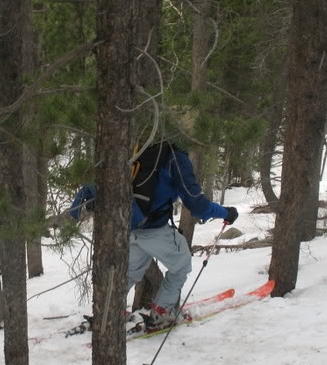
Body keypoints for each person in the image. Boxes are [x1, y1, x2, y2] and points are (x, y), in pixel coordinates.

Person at [70, 141, 238, 329]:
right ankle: (162, 312)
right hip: (153, 227)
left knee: (131, 271)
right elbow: (198, 206)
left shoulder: (134, 144)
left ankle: (110, 310)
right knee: (181, 265)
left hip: (125, 225)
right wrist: (227, 213)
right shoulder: (174, 157)